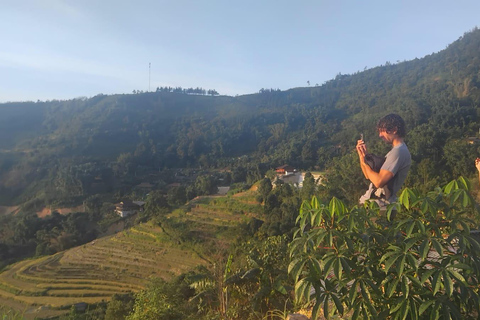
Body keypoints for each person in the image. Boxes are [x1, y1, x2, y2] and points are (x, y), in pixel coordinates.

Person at [357, 114, 412, 209]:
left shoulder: (398, 152)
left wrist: (365, 162)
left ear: (394, 130)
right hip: (375, 205)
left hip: (381, 207)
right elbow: (368, 176)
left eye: (383, 131)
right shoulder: (397, 151)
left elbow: (378, 182)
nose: (380, 135)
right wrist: (363, 156)